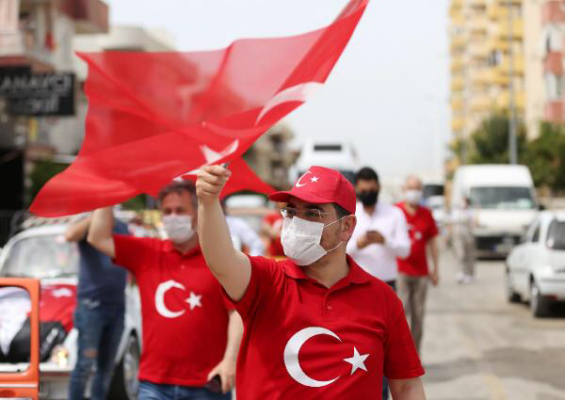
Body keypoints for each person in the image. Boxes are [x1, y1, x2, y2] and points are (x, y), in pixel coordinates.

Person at [197, 165, 426, 400]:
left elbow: (407, 386)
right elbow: (221, 260)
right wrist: (208, 202)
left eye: (312, 213)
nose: (297, 222)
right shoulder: (266, 280)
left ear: (346, 227)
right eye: (292, 212)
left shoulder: (382, 299)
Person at [87, 180, 243, 400]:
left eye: (180, 210)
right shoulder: (147, 252)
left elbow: (236, 312)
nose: (172, 217)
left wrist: (230, 361)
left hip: (207, 384)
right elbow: (97, 237)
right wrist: (107, 192)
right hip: (155, 384)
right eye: (167, 211)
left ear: (196, 214)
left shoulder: (217, 258)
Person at [347, 166, 411, 400]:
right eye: (363, 190)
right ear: (356, 189)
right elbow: (338, 250)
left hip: (386, 288)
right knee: (356, 350)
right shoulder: (349, 213)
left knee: (383, 349)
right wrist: (358, 245)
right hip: (352, 289)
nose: (368, 194)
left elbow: (405, 250)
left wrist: (386, 241)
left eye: (372, 189)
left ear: (379, 188)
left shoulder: (394, 214)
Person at [66, 213, 129, 400]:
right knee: (84, 365)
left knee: (107, 367)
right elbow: (69, 235)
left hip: (117, 303)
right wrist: (93, 218)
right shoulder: (87, 222)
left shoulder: (121, 226)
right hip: (92, 304)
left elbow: (128, 255)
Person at [396, 176, 439, 355]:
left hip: (421, 273)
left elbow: (432, 243)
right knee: (400, 316)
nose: (414, 192)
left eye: (417, 188)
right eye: (411, 188)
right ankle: (400, 356)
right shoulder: (396, 211)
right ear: (404, 189)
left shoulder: (426, 213)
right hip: (400, 271)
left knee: (418, 317)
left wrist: (435, 269)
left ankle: (415, 357)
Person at [455, 197, 476, 284]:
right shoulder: (458, 212)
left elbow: (474, 224)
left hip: (468, 236)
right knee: (461, 255)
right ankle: (461, 272)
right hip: (459, 236)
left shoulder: (470, 212)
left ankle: (469, 274)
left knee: (469, 255)